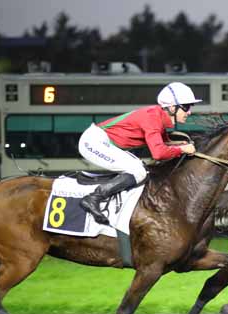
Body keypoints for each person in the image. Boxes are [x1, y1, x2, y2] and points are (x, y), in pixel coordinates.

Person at [78, 82, 201, 225]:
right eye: (186, 107)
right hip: (93, 142)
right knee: (137, 170)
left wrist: (180, 145)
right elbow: (158, 154)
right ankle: (93, 198)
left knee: (139, 168)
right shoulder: (153, 118)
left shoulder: (157, 116)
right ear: (172, 107)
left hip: (102, 141)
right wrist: (182, 149)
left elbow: (164, 143)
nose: (189, 112)